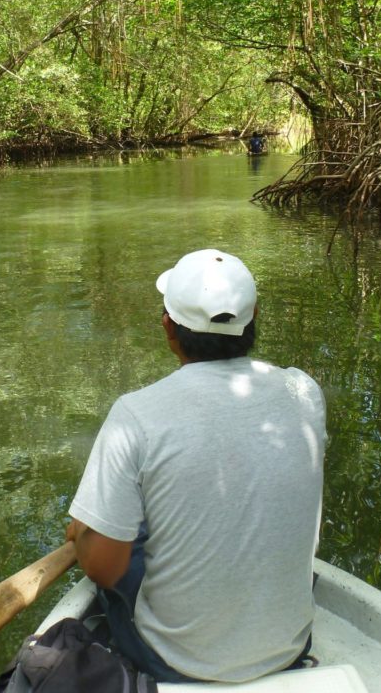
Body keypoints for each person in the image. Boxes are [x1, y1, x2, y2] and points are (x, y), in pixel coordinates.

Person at [65, 249, 326, 684]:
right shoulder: (304, 392)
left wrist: (83, 539)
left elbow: (105, 570)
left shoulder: (135, 415)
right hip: (291, 647)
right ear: (254, 316)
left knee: (119, 542)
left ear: (168, 327)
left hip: (177, 662)